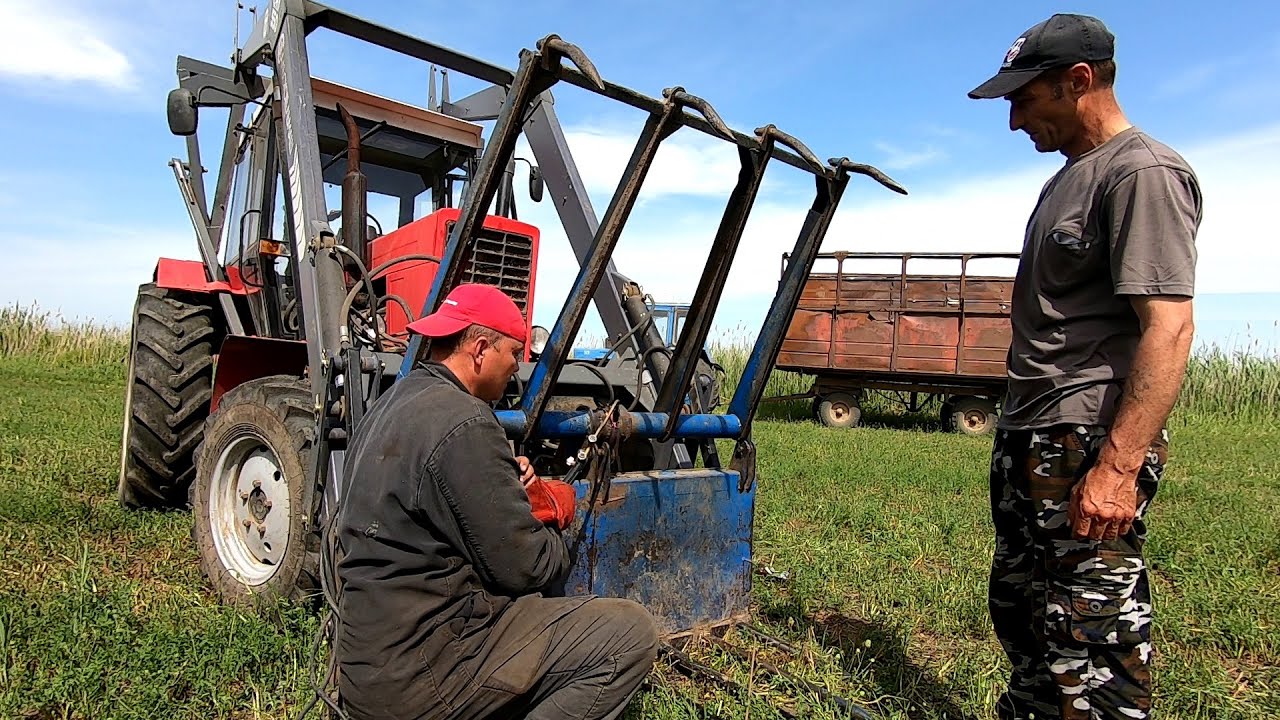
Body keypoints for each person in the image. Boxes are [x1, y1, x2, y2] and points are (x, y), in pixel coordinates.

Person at [967, 14, 1201, 720]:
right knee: (1027, 615)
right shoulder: (1068, 180)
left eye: (1023, 99)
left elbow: (1170, 326)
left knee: (1093, 639)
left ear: (1078, 82)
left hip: (1085, 439)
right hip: (1032, 433)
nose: (1014, 122)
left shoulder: (1143, 174)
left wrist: (1118, 466)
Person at [332, 282, 659, 720]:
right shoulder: (466, 421)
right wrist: (554, 516)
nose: (516, 368)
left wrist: (501, 483)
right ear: (481, 349)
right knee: (628, 635)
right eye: (513, 353)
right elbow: (526, 568)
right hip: (426, 679)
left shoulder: (391, 403)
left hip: (369, 671)